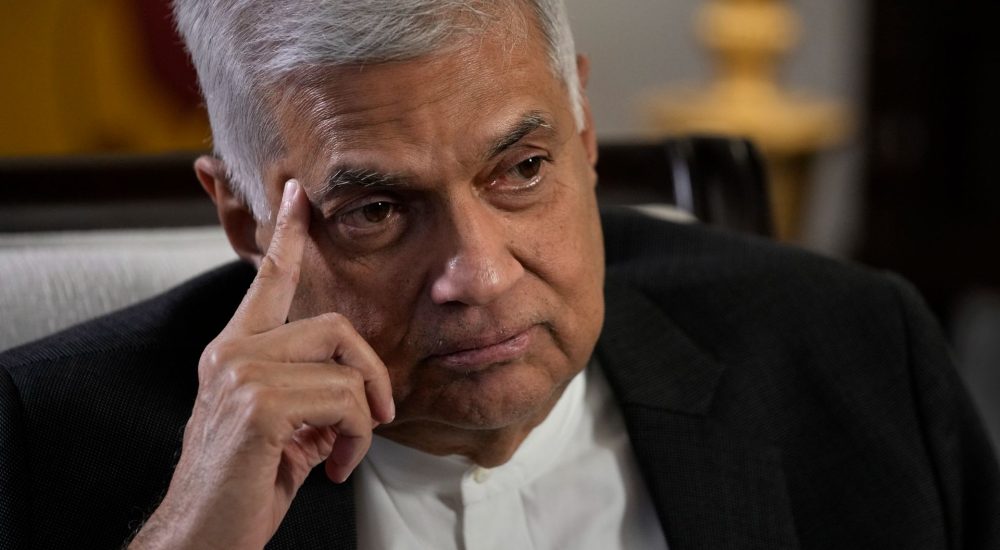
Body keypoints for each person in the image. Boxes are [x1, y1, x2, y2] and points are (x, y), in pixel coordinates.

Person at [1, 1, 998, 548]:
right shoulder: (42, 446)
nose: (476, 275)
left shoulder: (859, 355)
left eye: (520, 169)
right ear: (242, 218)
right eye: (376, 211)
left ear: (583, 130)